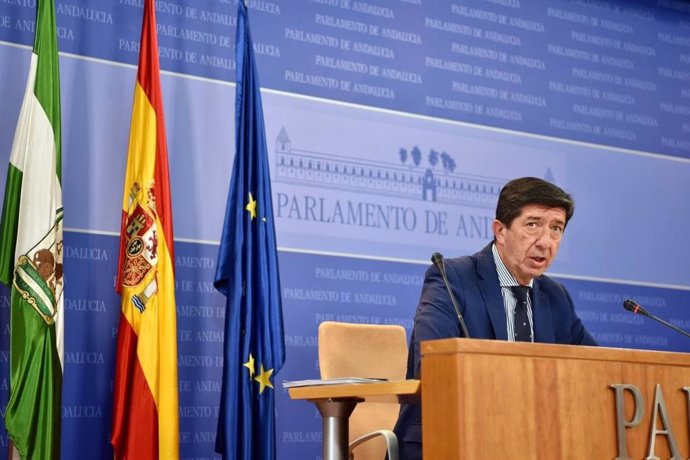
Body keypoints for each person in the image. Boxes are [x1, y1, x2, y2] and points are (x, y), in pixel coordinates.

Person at [393, 177, 597, 460]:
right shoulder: (451, 278)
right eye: (533, 225)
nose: (545, 242)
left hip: (533, 445)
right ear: (500, 231)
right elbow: (432, 366)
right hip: (450, 440)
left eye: (556, 229)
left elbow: (597, 371)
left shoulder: (555, 297)